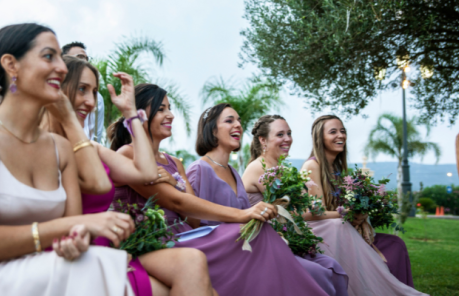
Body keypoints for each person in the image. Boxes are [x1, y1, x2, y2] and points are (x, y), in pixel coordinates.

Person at [0, 23, 140, 296]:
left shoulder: (59, 148)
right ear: (11, 65)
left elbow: (78, 218)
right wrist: (73, 226)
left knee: (89, 259)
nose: (61, 67)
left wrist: (76, 240)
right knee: (97, 265)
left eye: (60, 57)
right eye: (49, 56)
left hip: (34, 267)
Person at [109, 85, 331, 296]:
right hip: (152, 239)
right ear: (138, 115)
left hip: (186, 232)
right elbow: (176, 203)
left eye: (170, 108)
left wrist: (175, 182)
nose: (171, 115)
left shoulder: (174, 163)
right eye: (161, 109)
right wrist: (243, 214)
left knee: (259, 233)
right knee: (251, 232)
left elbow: (193, 220)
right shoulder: (127, 154)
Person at [43, 55, 216, 296]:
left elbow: (144, 172)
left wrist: (131, 114)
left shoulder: (91, 148)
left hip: (102, 245)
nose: (91, 102)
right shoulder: (40, 145)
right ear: (56, 87)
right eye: (82, 89)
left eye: (94, 92)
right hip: (70, 247)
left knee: (196, 268)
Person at [300, 115, 428, 296]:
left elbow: (344, 206)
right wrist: (348, 214)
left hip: (340, 226)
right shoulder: (312, 166)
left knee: (396, 244)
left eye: (343, 131)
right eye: (333, 131)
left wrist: (363, 218)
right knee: (338, 226)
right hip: (321, 231)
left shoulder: (336, 170)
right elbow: (311, 213)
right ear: (320, 138)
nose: (341, 135)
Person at [242, 114, 348, 296]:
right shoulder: (260, 167)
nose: (287, 139)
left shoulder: (283, 169)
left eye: (289, 134)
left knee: (332, 266)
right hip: (265, 241)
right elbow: (292, 212)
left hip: (287, 238)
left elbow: (306, 208)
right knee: (320, 273)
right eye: (280, 134)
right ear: (263, 140)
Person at [61, 41, 105, 144]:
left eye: (86, 58)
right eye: (80, 57)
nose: (91, 102)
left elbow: (96, 134)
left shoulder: (98, 99)